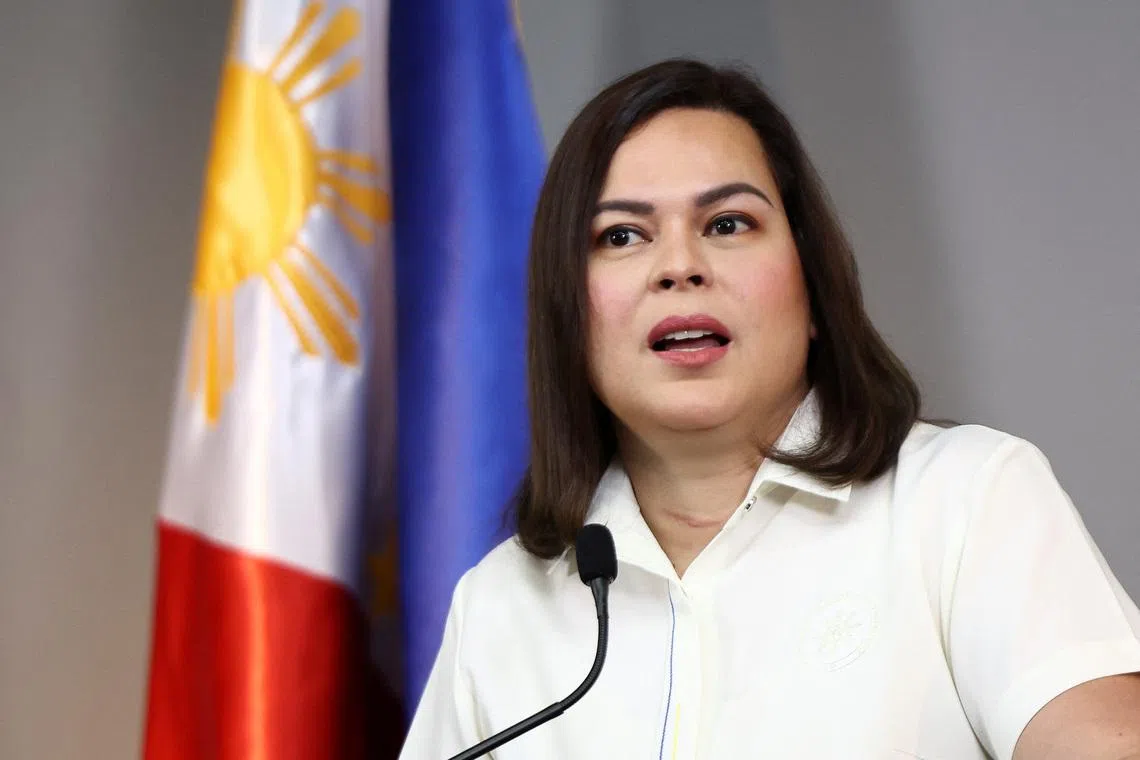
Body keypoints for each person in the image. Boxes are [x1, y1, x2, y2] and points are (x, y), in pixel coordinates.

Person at [398, 58, 1140, 759]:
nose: (679, 266)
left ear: (812, 286)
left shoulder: (966, 502)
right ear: (569, 315)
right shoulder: (502, 605)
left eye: (727, 224)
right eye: (621, 235)